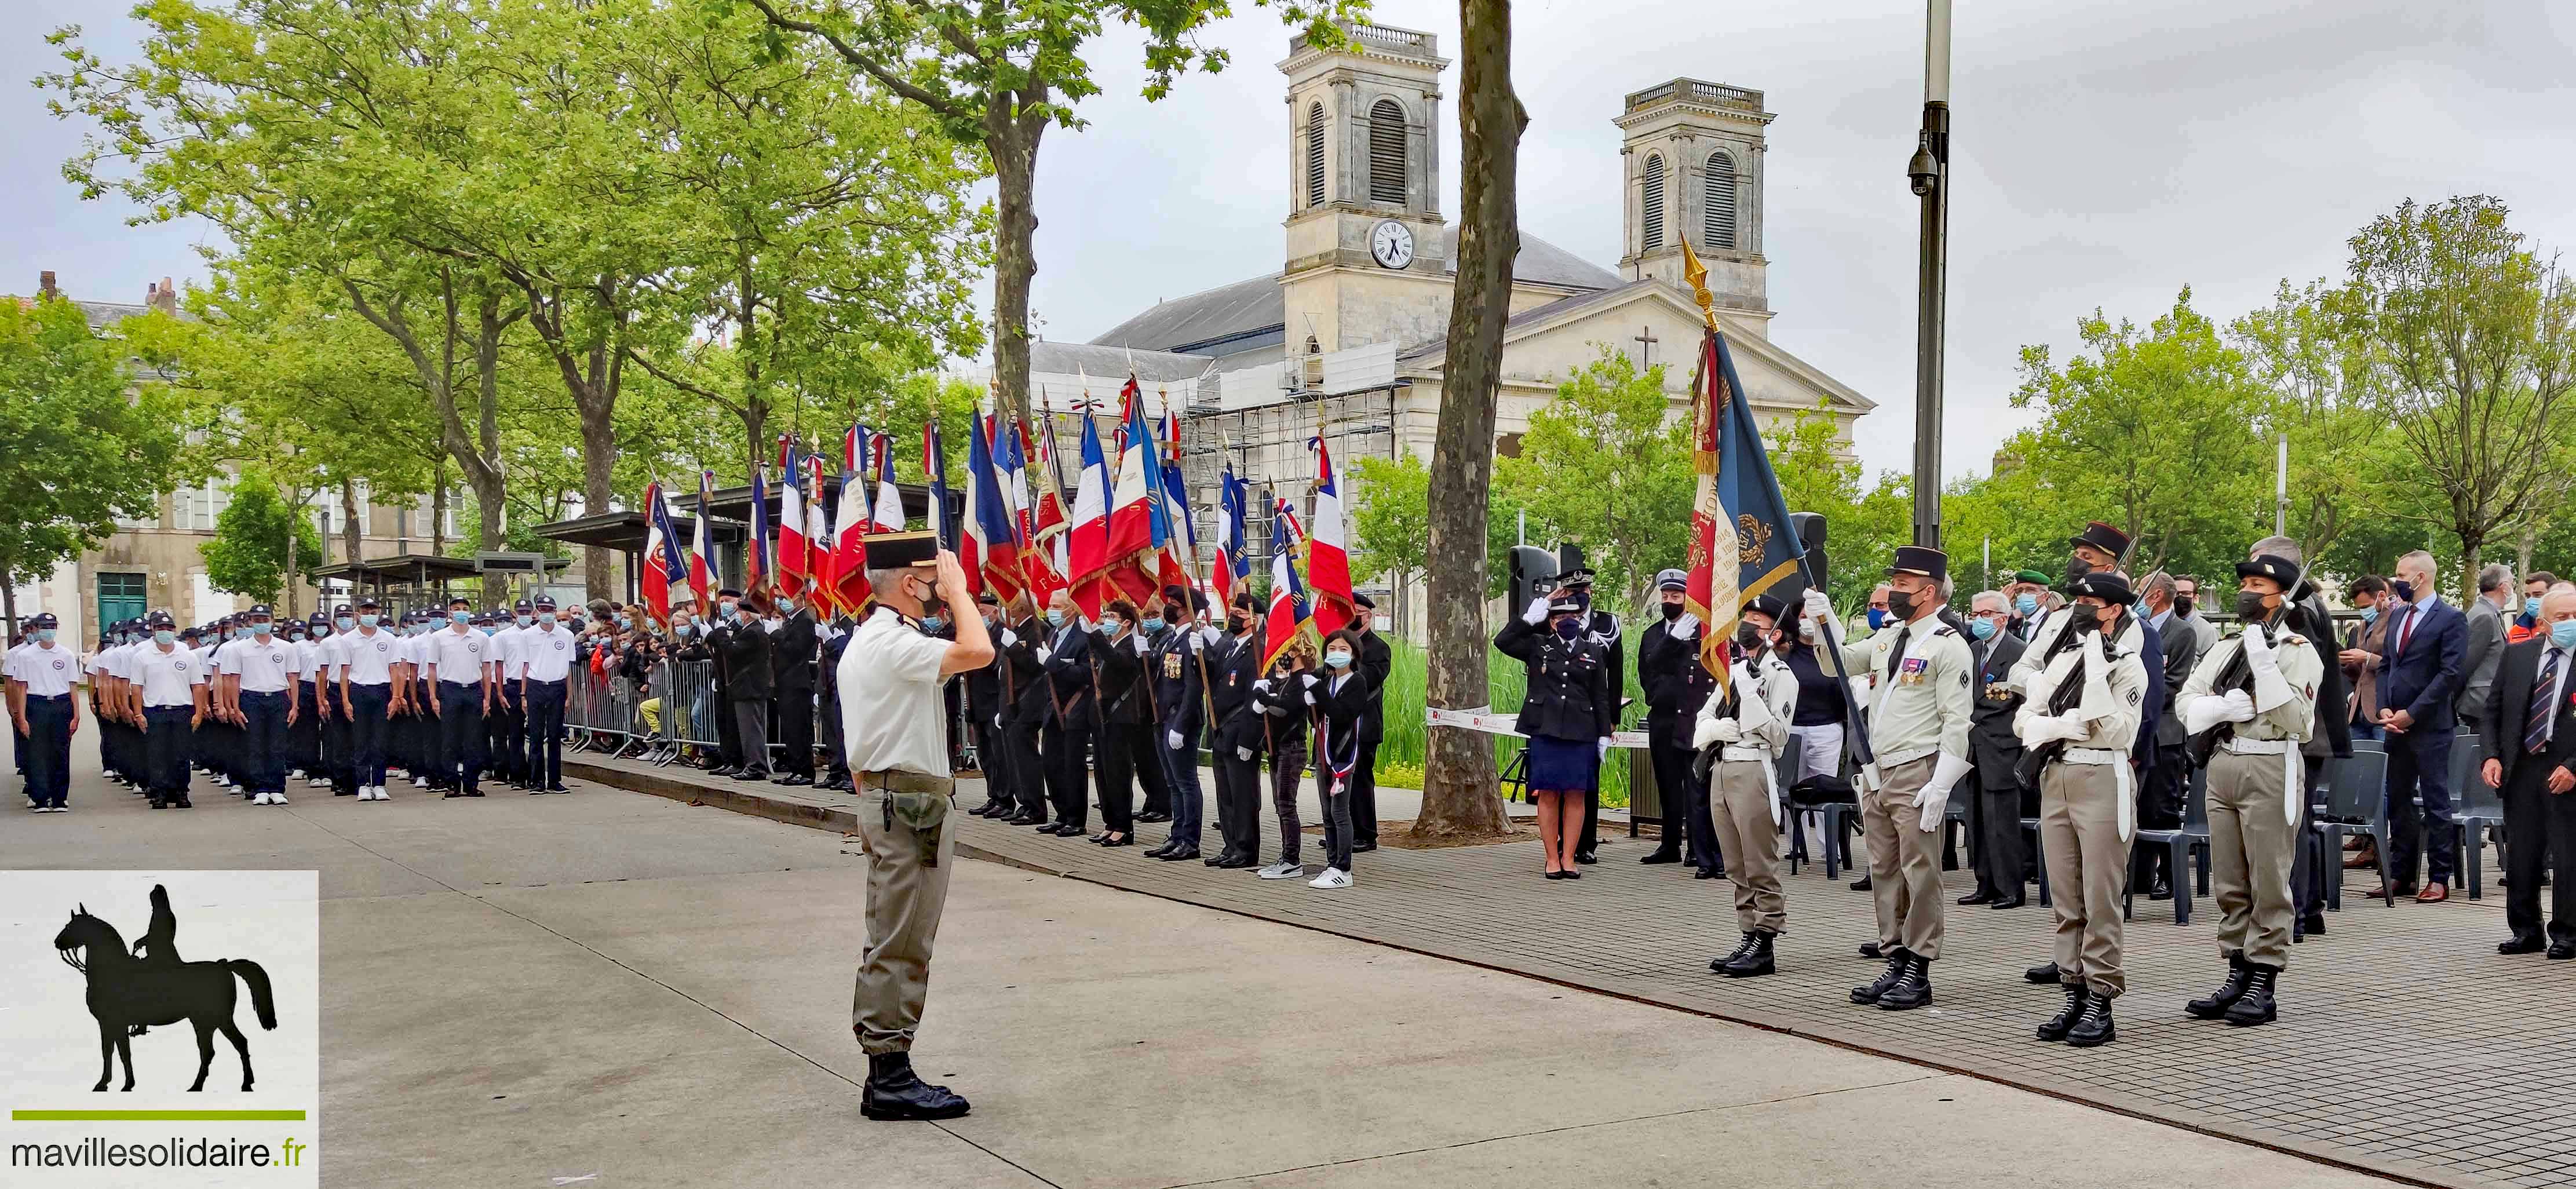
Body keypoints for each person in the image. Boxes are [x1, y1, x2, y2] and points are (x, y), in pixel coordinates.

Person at [832, 533, 990, 1122]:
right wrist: (962, 594)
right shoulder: (891, 642)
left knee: (898, 936)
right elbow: (978, 652)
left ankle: (889, 1070)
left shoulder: (879, 641)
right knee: (901, 942)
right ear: (908, 584)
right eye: (929, 581)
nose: (937, 590)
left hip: (897, 801)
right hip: (909, 809)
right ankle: (890, 1077)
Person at [1803, 545, 1973, 1011]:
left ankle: (1919, 967)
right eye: (1895, 583)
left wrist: (1942, 784)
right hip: (1878, 770)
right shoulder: (1889, 637)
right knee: (1885, 870)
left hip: (1918, 768)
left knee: (1921, 872)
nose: (1895, 591)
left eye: (1902, 585)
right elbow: (1839, 663)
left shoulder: (1947, 645)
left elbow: (1957, 722)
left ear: (1929, 590)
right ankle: (1895, 957)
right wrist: (1824, 622)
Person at [2176, 550, 2323, 1026]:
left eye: (2259, 587)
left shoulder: (2299, 650)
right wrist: (2222, 710)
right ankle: (2237, 968)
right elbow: (2188, 701)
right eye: (2246, 585)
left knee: (2268, 877)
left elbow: (2298, 722)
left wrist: (2263, 664)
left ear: (2283, 596)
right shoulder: (2224, 647)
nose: (2247, 593)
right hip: (2224, 763)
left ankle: (2265, 976)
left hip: (2270, 765)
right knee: (2230, 879)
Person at [2016, 572, 2150, 1046]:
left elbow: (2116, 734)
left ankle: (2102, 996)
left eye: (2090, 602)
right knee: (2066, 897)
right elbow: (2025, 721)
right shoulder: (2063, 660)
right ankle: (2072, 989)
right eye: (2078, 600)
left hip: (2102, 778)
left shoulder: (2128, 667)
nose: (2081, 608)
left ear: (2113, 611)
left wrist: (2089, 687)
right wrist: (2066, 724)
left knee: (2100, 896)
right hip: (2058, 777)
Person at [1694, 597, 1796, 975]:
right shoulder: (1734, 669)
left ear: (1774, 632)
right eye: (1746, 617)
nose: (1747, 623)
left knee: (1758, 862)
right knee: (1735, 864)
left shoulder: (1781, 676)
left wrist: (1750, 695)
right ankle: (1747, 934)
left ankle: (1765, 941)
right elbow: (1704, 717)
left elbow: (1778, 735)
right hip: (1722, 767)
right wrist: (1713, 730)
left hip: (1753, 767)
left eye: (1757, 619)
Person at [2482, 583, 2576, 958]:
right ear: (2544, 623)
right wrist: (2491, 756)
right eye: (2562, 617)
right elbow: (2493, 710)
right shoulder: (2518, 655)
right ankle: (2526, 930)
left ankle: (2568, 933)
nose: (2571, 622)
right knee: (2522, 854)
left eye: (2575, 615)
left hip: (2567, 770)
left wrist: (2573, 767)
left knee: (2568, 856)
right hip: (2522, 767)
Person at [1497, 591, 1617, 880]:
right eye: (1562, 617)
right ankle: (1552, 857)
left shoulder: (1593, 651)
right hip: (1546, 729)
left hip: (1581, 732)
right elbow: (1503, 642)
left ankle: (1569, 858)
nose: (1568, 622)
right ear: (1551, 623)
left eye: (1574, 617)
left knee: (1577, 795)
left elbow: (1600, 696)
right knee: (1548, 794)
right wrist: (1526, 620)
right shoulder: (1538, 646)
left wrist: (1604, 734)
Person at [2370, 549, 2466, 902]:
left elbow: (2451, 674)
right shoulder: (2397, 616)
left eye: (2400, 575)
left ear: (2420, 578)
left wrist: (2413, 712)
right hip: (2395, 725)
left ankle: (2440, 875)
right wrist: (2384, 707)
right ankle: (2402, 873)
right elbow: (2386, 666)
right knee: (2398, 799)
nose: (2396, 581)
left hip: (2431, 726)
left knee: (2435, 799)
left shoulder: (2451, 618)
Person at [1637, 568, 1718, 870]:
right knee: (1667, 782)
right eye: (1666, 596)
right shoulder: (1653, 634)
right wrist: (1656, 698)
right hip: (1662, 717)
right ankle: (1670, 843)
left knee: (1694, 784)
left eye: (1676, 596)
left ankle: (1697, 849)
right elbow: (1648, 669)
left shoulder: (1701, 632)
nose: (1670, 601)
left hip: (1693, 719)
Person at [2136, 571, 2206, 900]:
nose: (2136, 597)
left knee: (2162, 807)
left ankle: (2169, 877)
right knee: (2137, 807)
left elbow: (2174, 683)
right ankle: (2139, 876)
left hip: (2164, 731)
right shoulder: (2134, 630)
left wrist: (2134, 699)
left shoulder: (2182, 632)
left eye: (2140, 591)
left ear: (2157, 595)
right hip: (2136, 729)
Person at [1959, 590, 2030, 909]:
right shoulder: (1973, 650)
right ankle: (1985, 883)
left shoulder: (2018, 652)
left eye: (1986, 614)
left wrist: (1971, 717)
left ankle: (2010, 888)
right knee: (1976, 819)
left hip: (2001, 744)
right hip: (1972, 746)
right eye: (1975, 614)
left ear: (2003, 618)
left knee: (2001, 820)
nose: (1979, 620)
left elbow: (2012, 701)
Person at [1556, 567, 1623, 865]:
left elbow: (1616, 674)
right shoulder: (1556, 621)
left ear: (1590, 592)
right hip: (1559, 715)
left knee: (1587, 781)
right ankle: (1561, 841)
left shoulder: (1608, 624)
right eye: (1571, 593)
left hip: (1593, 715)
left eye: (1581, 592)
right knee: (1559, 783)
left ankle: (1586, 843)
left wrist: (1612, 718)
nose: (1577, 598)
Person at [1301, 628, 1374, 889]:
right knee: (1327, 813)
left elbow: (1342, 714)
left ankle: (1343, 868)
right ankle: (1331, 863)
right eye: (1332, 649)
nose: (1337, 654)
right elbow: (1319, 718)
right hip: (1323, 753)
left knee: (1340, 811)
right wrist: (1312, 702)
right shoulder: (1328, 681)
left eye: (1343, 649)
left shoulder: (1357, 682)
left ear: (1353, 654)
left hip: (1343, 755)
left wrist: (1319, 694)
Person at [1144, 586, 1213, 861]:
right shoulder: (1171, 639)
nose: (1168, 608)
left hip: (1180, 719)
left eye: (1173, 604)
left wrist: (1181, 726)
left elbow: (1193, 688)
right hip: (1164, 718)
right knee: (1172, 783)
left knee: (1186, 783)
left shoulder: (1193, 641)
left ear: (1187, 609)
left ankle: (1190, 840)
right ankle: (1176, 835)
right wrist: (1146, 657)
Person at [215, 605, 301, 807]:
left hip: (278, 698)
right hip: (252, 699)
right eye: (257, 620)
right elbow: (232, 680)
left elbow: (293, 678)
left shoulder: (286, 647)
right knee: (255, 745)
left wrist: (295, 706)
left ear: (272, 621)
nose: (261, 624)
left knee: (277, 746)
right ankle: (260, 787)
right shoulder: (239, 649)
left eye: (265, 620)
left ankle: (277, 787)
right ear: (249, 622)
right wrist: (234, 707)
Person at [1205, 594, 1265, 869]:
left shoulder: (1257, 649)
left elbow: (1255, 698)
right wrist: (1201, 654)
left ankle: (1246, 849)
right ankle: (1230, 845)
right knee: (1225, 794)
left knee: (1243, 796)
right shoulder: (1228, 645)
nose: (1233, 616)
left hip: (1240, 729)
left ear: (1255, 619)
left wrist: (1249, 738)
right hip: (1221, 730)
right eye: (1232, 611)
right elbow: (1212, 676)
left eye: (1240, 613)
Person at [1251, 637, 1319, 879]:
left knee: (1287, 805)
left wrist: (1265, 699)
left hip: (1292, 748)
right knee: (1281, 806)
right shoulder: (1287, 680)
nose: (1283, 655)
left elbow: (1286, 708)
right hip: (1278, 748)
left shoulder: (1302, 682)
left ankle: (1292, 859)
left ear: (1299, 652)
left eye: (1288, 650)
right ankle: (1286, 855)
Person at [1035, 590, 1099, 836]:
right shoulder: (1052, 635)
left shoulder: (1083, 639)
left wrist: (1052, 663)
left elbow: (1085, 675)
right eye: (1051, 605)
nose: (1052, 610)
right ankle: (1061, 814)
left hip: (1075, 708)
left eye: (1057, 606)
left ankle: (1075, 819)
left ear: (1072, 609)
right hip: (1053, 710)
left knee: (1073, 766)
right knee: (1051, 764)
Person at [129, 611, 206, 809]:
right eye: (160, 629)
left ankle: (181, 792)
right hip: (155, 711)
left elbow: (198, 685)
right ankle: (159, 793)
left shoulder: (187, 656)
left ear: (175, 631)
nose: (165, 632)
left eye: (169, 629)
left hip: (182, 710)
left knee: (181, 754)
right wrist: (138, 713)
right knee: (157, 755)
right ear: (153, 631)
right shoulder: (142, 657)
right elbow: (136, 687)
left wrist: (199, 712)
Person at [1087, 599, 1150, 847]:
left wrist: (1096, 636)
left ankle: (1123, 828)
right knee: (1103, 774)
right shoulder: (1113, 643)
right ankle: (1110, 823)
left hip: (1120, 720)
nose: (1107, 620)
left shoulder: (1130, 645)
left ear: (1126, 622)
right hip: (1104, 719)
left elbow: (1117, 662)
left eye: (1111, 616)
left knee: (1118, 774)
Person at [7, 612, 80, 812]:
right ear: (36, 629)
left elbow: (73, 686)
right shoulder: (25, 656)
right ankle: (40, 797)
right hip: (36, 703)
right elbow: (21, 688)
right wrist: (21, 717)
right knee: (37, 753)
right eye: (44, 626)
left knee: (60, 752)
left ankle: (59, 798)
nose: (48, 630)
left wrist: (76, 714)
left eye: (52, 626)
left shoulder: (65, 655)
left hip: (61, 704)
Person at [425, 594, 494, 798]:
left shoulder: (481, 638)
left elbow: (487, 670)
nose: (461, 612)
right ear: (450, 613)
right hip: (450, 689)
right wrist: (433, 697)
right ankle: (452, 783)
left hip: (473, 690)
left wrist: (487, 698)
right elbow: (431, 669)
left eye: (465, 608)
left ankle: (471, 783)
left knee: (473, 740)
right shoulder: (439, 637)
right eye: (457, 609)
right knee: (450, 740)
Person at [994, 595, 1053, 826]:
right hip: (1011, 701)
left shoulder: (1039, 629)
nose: (1002, 609)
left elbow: (1033, 665)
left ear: (1018, 607)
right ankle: (1024, 802)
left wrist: (1014, 647)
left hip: (1029, 701)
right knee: (1014, 756)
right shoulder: (1014, 629)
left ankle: (1035, 807)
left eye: (1006, 604)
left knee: (1026, 756)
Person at [1345, 593, 1392, 852]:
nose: (1354, 616)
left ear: (1369, 616)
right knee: (1343, 780)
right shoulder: (1340, 644)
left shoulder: (1378, 648)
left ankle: (1366, 833)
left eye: (1358, 612)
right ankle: (1345, 829)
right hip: (1342, 723)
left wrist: (1347, 660)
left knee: (1362, 779)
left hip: (1365, 723)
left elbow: (1370, 678)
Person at [718, 592, 776, 782]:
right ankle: (752, 765)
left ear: (746, 614)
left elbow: (733, 653)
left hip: (750, 687)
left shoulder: (752, 632)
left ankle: (756, 767)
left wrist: (722, 636)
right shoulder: (752, 631)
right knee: (748, 729)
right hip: (747, 687)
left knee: (751, 730)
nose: (738, 615)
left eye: (740, 612)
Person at [519, 596, 574, 793]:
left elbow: (568, 669)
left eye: (549, 609)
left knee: (554, 735)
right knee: (535, 736)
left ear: (555, 611)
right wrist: (523, 694)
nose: (546, 613)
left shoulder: (566, 635)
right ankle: (537, 781)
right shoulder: (528, 635)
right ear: (537, 612)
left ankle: (554, 781)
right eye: (542, 609)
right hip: (535, 686)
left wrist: (569, 696)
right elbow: (525, 666)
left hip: (557, 687)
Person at [772, 591, 820, 787]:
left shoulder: (805, 621)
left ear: (798, 598)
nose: (781, 601)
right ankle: (795, 769)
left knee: (800, 729)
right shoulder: (790, 621)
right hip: (786, 682)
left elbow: (796, 649)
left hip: (798, 683)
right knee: (790, 730)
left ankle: (805, 771)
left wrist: (775, 634)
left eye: (784, 596)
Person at [2461, 563, 2513, 733]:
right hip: (2478, 704)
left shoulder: (2490, 613)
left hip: (2484, 703)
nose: (2512, 588)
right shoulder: (2484, 616)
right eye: (2511, 584)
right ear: (2503, 587)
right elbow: (2465, 665)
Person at [2514, 572, 2558, 642]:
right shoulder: (2515, 631)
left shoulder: (2565, 628)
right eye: (2528, 596)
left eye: (2537, 595)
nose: (2531, 600)